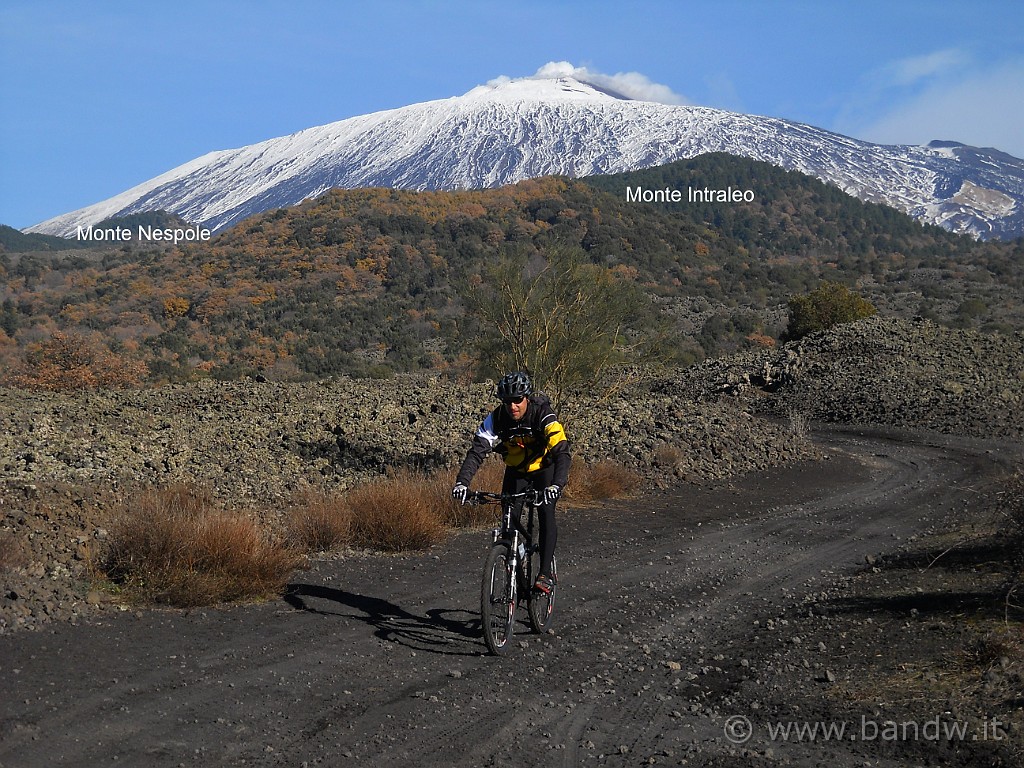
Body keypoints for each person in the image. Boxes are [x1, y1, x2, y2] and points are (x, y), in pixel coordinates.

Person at [452, 371, 571, 595]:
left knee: (546, 512)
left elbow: (562, 452)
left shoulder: (543, 414)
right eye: (507, 402)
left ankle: (545, 573)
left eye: (518, 400)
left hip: (544, 469)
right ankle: (515, 558)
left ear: (527, 397)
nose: (513, 406)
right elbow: (477, 452)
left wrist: (556, 485)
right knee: (508, 518)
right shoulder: (496, 418)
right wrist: (462, 484)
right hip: (516, 471)